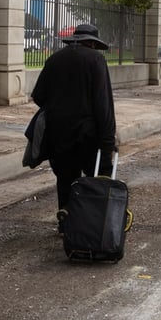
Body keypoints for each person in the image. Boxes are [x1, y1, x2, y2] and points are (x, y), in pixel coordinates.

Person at [31, 23, 117, 231]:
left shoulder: (54, 59)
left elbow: (38, 96)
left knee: (65, 178)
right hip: (88, 135)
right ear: (92, 43)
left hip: (58, 133)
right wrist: (108, 142)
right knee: (97, 179)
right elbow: (103, 104)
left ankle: (66, 219)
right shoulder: (96, 60)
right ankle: (92, 225)